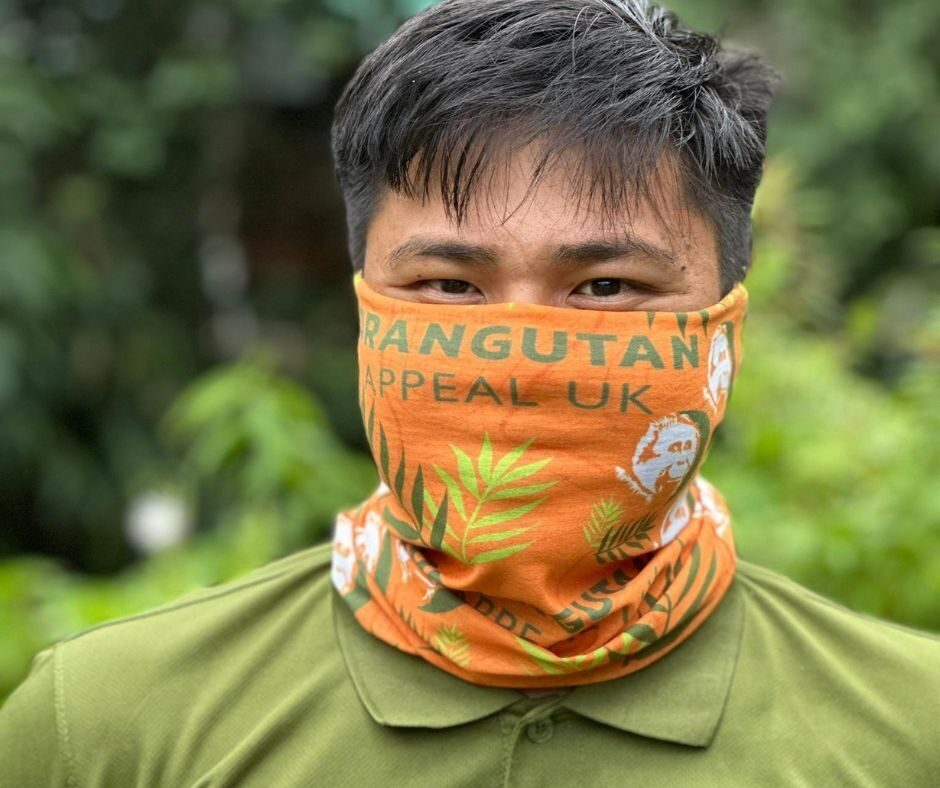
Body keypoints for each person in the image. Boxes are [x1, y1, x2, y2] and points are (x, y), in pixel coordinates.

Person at [1, 1, 937, 785]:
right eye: (449, 285)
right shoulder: (104, 727)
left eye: (606, 287)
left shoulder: (909, 733)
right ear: (367, 307)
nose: (520, 357)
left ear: (724, 327)